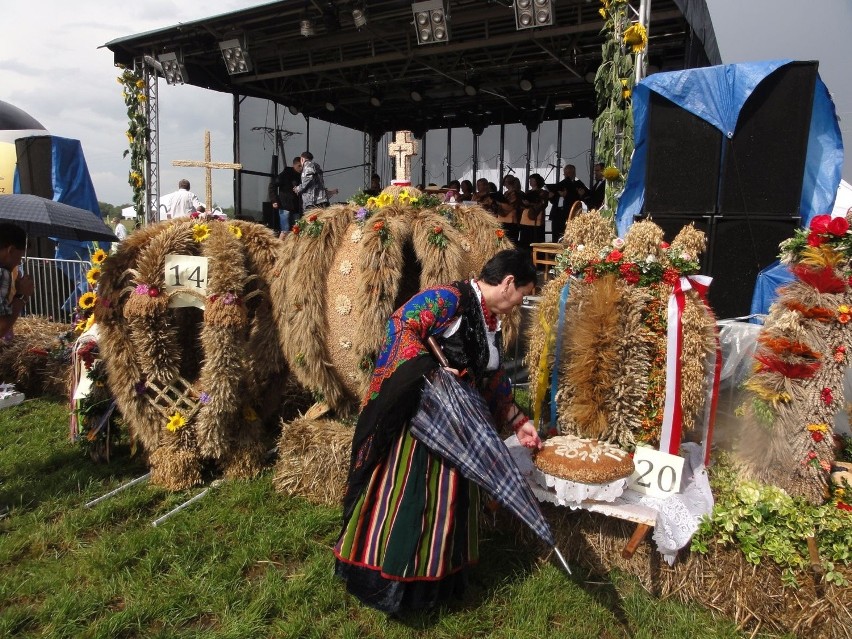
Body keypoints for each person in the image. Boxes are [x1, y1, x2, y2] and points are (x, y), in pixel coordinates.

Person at [334, 249, 541, 614]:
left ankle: (438, 582)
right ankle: (393, 583)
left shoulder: (488, 320)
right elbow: (401, 325)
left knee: (447, 506)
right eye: (523, 295)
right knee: (416, 501)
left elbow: (488, 376)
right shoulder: (448, 299)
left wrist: (518, 421)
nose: (518, 304)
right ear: (508, 283)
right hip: (424, 430)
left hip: (459, 428)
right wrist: (433, 372)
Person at [0, 223, 34, 341]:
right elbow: (1, 327)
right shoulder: (2, 273)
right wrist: (21, 295)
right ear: (11, 250)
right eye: (19, 257)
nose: (18, 263)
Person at [273, 156, 303, 236]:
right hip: (285, 207)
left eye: (302, 166)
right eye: (299, 166)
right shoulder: (285, 174)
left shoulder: (302, 176)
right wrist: (274, 200)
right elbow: (273, 185)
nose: (301, 168)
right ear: (294, 165)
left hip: (296, 208)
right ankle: (281, 248)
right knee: (285, 231)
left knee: (297, 231)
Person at [518, 173, 548, 249]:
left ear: (537, 181)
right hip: (525, 218)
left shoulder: (542, 192)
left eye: (532, 180)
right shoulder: (528, 192)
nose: (530, 182)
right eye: (530, 180)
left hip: (536, 218)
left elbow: (543, 204)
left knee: (536, 241)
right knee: (525, 241)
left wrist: (530, 203)